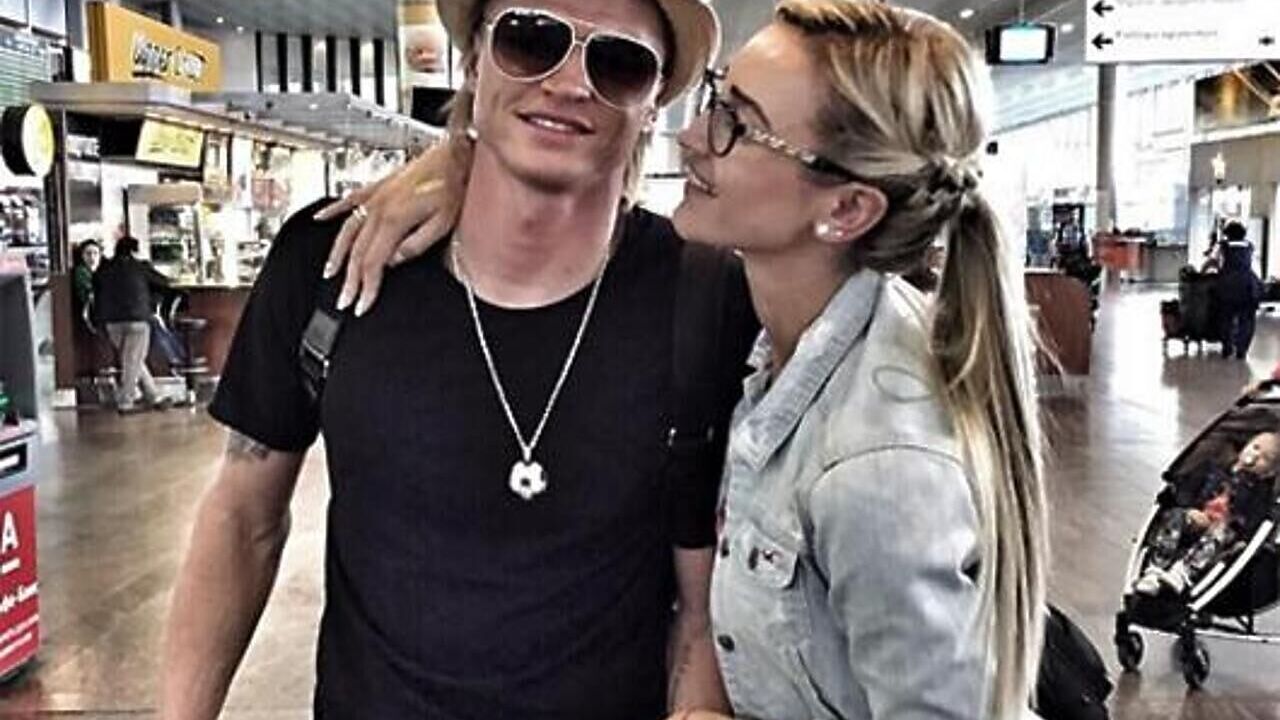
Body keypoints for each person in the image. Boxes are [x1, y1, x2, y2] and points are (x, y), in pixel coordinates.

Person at [323, 1, 1051, 717]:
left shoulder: (878, 462)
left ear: (847, 210)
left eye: (740, 124)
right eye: (716, 100)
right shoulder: (776, 347)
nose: (694, 136)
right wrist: (460, 159)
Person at [159, 1, 750, 718]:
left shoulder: (709, 299)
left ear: (653, 102)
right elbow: (242, 517)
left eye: (619, 62)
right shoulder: (330, 262)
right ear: (472, 59)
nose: (570, 83)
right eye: (530, 39)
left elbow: (706, 601)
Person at [1133, 431, 1280, 597]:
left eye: (1265, 458)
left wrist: (1244, 540)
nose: (1256, 455)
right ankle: (1155, 569)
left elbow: (1256, 518)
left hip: (1222, 533)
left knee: (1221, 532)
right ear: (1244, 447)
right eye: (1255, 447)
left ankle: (1182, 573)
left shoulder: (1260, 492)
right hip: (1195, 519)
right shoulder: (1211, 468)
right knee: (1175, 515)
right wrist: (1189, 509)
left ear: (1269, 472)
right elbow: (1187, 490)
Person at [92, 235, 173, 414]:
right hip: (137, 319)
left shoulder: (105, 268)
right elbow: (165, 282)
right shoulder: (141, 267)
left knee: (133, 360)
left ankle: (154, 397)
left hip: (112, 322)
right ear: (134, 251)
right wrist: (153, 299)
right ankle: (125, 401)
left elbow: (95, 287)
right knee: (132, 360)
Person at [1214, 220, 1262, 359]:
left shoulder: (1222, 245)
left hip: (1227, 285)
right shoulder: (1250, 246)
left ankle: (1227, 347)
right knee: (1247, 319)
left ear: (1227, 234)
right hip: (1247, 285)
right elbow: (1255, 266)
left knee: (1225, 318)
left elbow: (1213, 261)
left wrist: (1204, 271)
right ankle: (1242, 350)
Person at [71, 239, 102, 323]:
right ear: (82, 256)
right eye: (88, 253)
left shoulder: (101, 272)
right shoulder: (80, 271)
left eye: (95, 253)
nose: (92, 257)